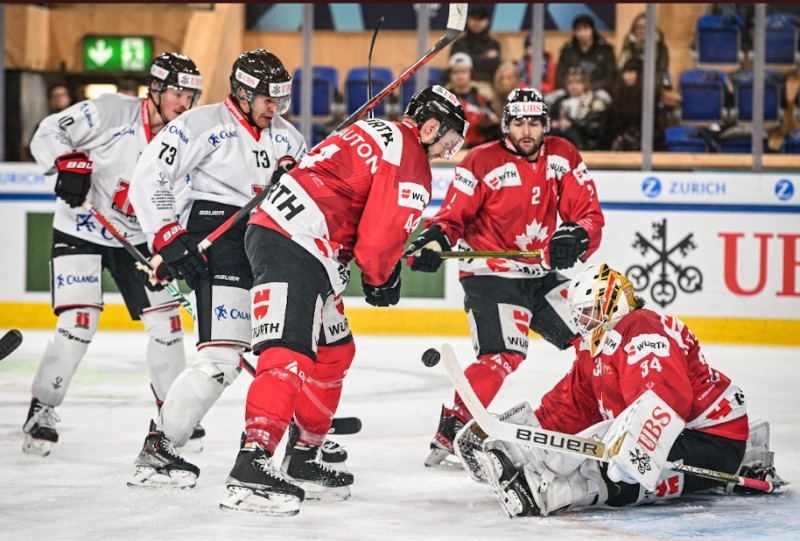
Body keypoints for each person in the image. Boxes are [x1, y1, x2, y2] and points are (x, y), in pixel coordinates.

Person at [219, 85, 468, 516]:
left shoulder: (374, 128)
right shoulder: (409, 158)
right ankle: (252, 463)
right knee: (290, 352)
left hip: (299, 240)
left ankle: (303, 456)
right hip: (295, 242)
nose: (449, 151)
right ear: (430, 127)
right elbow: (376, 245)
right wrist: (383, 277)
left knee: (335, 350)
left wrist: (380, 265)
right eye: (449, 141)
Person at [459, 262, 785, 517]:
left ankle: (548, 494)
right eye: (578, 315)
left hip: (713, 438)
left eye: (589, 311)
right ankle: (536, 466)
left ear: (613, 302)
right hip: (681, 434)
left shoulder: (641, 327)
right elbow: (574, 403)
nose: (583, 321)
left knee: (615, 474)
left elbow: (664, 397)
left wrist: (637, 450)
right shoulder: (595, 346)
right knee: (600, 440)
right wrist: (528, 436)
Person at [126, 49, 308, 489]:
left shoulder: (289, 139)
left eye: (281, 100)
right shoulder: (200, 124)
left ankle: (301, 446)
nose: (274, 109)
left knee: (290, 351)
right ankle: (161, 445)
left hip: (271, 240)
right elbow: (149, 177)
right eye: (267, 99)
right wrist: (167, 235)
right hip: (218, 235)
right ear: (243, 93)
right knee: (222, 360)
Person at [404, 87, 605, 469]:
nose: (526, 131)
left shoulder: (563, 155)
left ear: (545, 124)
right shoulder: (481, 160)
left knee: (596, 339)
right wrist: (435, 240)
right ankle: (453, 431)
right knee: (502, 356)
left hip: (540, 274)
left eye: (533, 123)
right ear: (506, 125)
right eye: (518, 123)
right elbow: (451, 217)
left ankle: (600, 410)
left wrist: (576, 235)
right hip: (490, 274)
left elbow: (589, 214)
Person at [22, 53, 203, 457]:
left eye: (191, 95)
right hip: (81, 228)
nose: (184, 103)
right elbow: (48, 132)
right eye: (177, 93)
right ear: (154, 90)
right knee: (79, 321)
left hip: (139, 240)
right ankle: (42, 409)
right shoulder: (109, 111)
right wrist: (67, 165)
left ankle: (172, 415)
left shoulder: (185, 137)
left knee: (167, 324)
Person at [554, 14, 616, 102]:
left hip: (597, 91)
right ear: (574, 32)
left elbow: (609, 78)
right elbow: (560, 77)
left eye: (586, 28)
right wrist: (573, 88)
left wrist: (586, 88)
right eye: (578, 29)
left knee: (604, 99)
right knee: (550, 100)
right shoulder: (567, 51)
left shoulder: (605, 50)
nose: (582, 33)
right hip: (570, 91)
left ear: (592, 30)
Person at [549, 67, 610, 151]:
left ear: (585, 84)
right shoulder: (560, 102)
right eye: (570, 83)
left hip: (586, 146)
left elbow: (594, 130)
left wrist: (573, 124)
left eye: (578, 83)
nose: (573, 86)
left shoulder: (595, 103)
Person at [446, 52, 499, 148]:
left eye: (463, 72)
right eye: (456, 72)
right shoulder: (442, 99)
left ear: (470, 73)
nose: (460, 76)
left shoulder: (482, 98)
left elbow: (494, 124)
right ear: (450, 75)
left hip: (476, 149)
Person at [449, 5, 502, 83]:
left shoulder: (494, 44)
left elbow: (494, 65)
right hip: (459, 84)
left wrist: (466, 58)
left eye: (481, 19)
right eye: (473, 18)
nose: (477, 22)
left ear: (487, 21)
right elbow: (454, 64)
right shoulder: (458, 44)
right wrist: (485, 58)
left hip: (485, 84)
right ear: (467, 20)